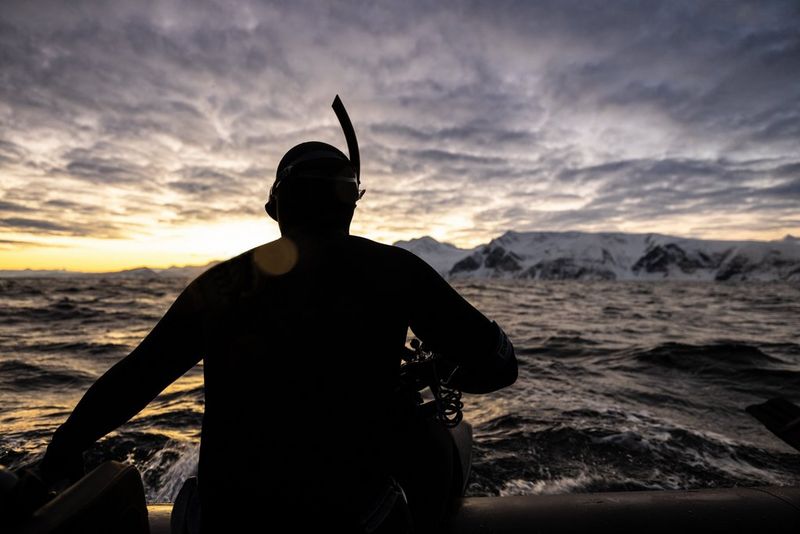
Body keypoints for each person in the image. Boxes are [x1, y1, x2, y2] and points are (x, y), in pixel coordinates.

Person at [39, 97, 517, 533]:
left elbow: (135, 378)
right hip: (355, 522)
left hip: (223, 525)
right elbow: (498, 367)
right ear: (350, 202)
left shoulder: (222, 283)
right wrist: (435, 370)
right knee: (435, 440)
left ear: (276, 209)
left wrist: (59, 452)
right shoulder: (397, 271)